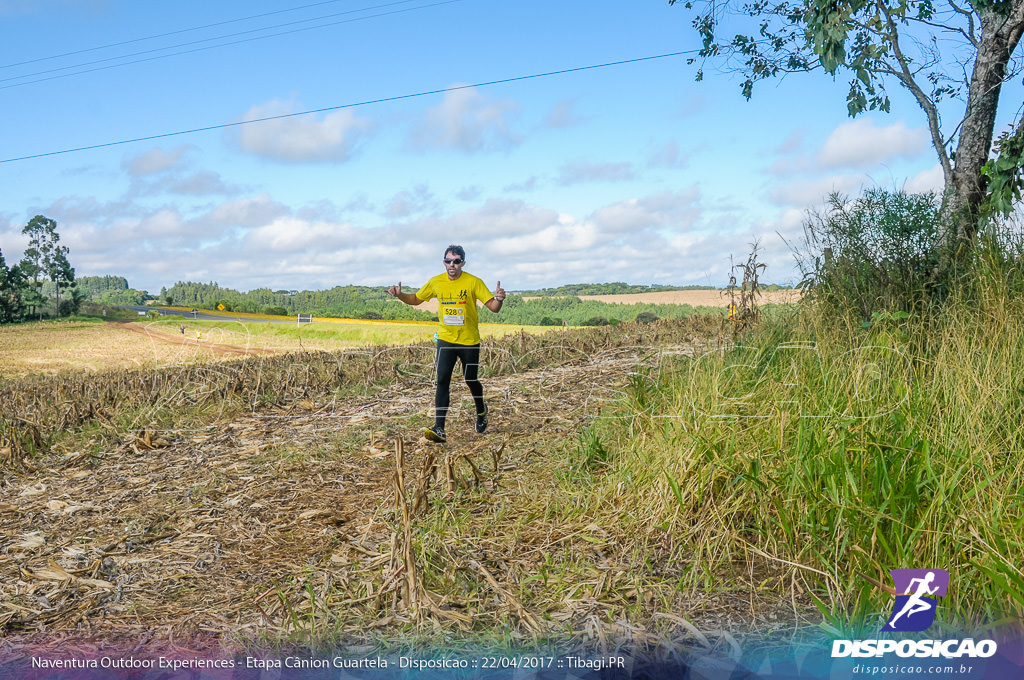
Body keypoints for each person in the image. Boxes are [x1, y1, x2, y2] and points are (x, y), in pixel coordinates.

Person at [387, 245, 505, 443]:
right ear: (444, 262)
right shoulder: (436, 282)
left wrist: (500, 299)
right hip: (446, 340)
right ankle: (439, 427)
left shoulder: (474, 282)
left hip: (469, 341)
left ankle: (481, 410)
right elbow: (416, 299)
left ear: (463, 263)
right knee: (442, 381)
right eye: (449, 261)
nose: (452, 265)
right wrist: (400, 295)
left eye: (457, 261)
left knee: (471, 380)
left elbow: (493, 307)